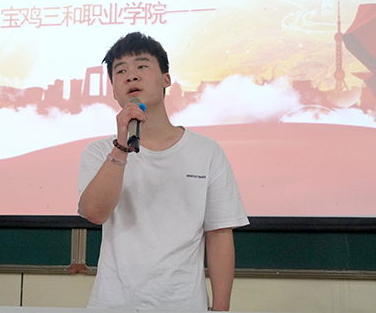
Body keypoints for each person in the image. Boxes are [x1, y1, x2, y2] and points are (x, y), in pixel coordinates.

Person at [78, 32, 249, 310]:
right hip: (114, 304)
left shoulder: (206, 151)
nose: (131, 76)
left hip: (184, 304)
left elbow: (219, 234)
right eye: (120, 71)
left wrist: (220, 308)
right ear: (114, 90)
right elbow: (95, 213)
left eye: (141, 66)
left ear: (166, 79)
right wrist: (121, 147)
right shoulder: (99, 152)